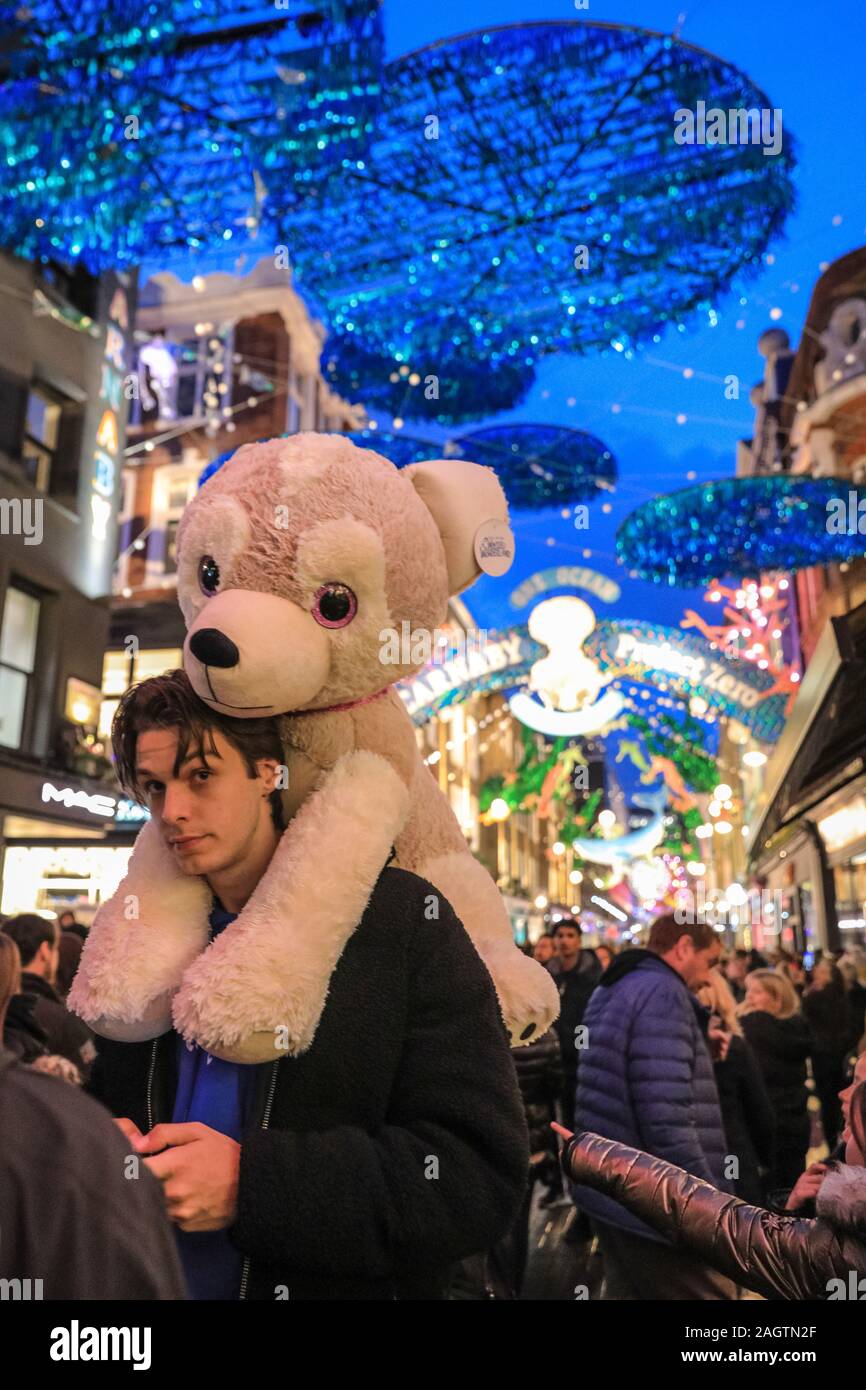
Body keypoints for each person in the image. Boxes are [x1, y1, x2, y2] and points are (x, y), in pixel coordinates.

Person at [83, 670, 529, 1301]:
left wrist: (251, 1186)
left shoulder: (398, 925)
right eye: (154, 787)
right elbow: (109, 1111)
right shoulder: (142, 940)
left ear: (269, 772)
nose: (172, 811)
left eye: (200, 776)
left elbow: (474, 1174)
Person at [558, 1081, 866, 1302]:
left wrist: (593, 1155)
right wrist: (793, 1207)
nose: (845, 1094)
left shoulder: (840, 1255)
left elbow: (718, 1221)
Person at [573, 912, 737, 1299]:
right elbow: (666, 1119)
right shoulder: (663, 993)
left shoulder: (615, 985)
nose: (710, 977)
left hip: (614, 1190)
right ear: (683, 948)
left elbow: (635, 1078)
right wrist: (708, 1209)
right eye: (710, 961)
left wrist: (695, 1053)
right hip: (655, 1202)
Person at [697, 968, 774, 1205]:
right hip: (733, 1153)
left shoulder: (675, 1046)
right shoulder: (731, 1047)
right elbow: (759, 1110)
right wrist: (764, 1159)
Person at [739, 968, 812, 1197]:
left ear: (777, 999)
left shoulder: (750, 1027)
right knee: (791, 1191)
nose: (749, 997)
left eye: (757, 992)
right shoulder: (799, 1030)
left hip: (758, 1128)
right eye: (748, 990)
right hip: (796, 1121)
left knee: (752, 1190)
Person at [2, 914, 96, 1082]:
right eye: (56, 949)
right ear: (45, 951)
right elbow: (90, 1080)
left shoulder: (6, 1004)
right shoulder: (62, 1019)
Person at [547, 918, 601, 1126]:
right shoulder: (548, 975)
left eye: (570, 936)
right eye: (560, 936)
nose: (564, 941)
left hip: (582, 1057)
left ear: (579, 941)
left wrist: (582, 1048)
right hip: (554, 1058)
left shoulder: (592, 976)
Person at [802, 958, 856, 1150]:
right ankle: (846, 1139)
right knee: (842, 1099)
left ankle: (833, 1143)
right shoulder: (843, 996)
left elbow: (806, 1022)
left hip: (822, 1055)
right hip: (840, 1055)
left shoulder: (815, 997)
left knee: (827, 1101)